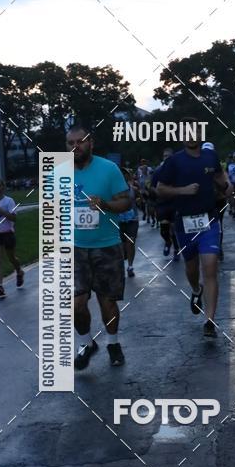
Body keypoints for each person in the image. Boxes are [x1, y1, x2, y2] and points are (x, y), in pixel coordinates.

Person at [155, 130, 232, 338]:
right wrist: (183, 191)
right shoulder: (173, 161)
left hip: (209, 219)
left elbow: (219, 176)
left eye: (195, 132)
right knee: (192, 268)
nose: (191, 136)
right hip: (184, 222)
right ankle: (196, 290)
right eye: (186, 133)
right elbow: (160, 189)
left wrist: (226, 185)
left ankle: (210, 321)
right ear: (181, 137)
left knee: (210, 267)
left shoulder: (210, 156)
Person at [67, 123, 131, 368]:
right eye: (70, 143)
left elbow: (125, 202)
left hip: (107, 246)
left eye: (80, 141)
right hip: (75, 248)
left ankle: (113, 343)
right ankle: (86, 344)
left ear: (90, 142)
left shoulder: (109, 168)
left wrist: (105, 204)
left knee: (107, 301)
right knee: (76, 304)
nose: (76, 147)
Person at [0, 178, 24, 298]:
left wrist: (1, 210)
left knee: (11, 258)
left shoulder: (9, 201)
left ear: (3, 187)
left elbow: (13, 218)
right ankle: (0, 286)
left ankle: (19, 271)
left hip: (8, 233)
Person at [152, 148, 180, 261]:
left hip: (174, 203)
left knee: (174, 228)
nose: (166, 158)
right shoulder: (158, 171)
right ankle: (167, 242)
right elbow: (152, 186)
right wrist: (157, 193)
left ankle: (176, 250)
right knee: (164, 229)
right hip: (162, 203)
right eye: (165, 156)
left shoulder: (178, 171)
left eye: (169, 156)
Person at [118, 168, 139, 278]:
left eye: (125, 174)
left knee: (130, 242)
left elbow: (140, 199)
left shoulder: (133, 189)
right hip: (119, 220)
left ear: (128, 176)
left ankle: (130, 266)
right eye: (121, 174)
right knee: (121, 245)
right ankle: (122, 263)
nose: (123, 175)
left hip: (132, 219)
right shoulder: (113, 189)